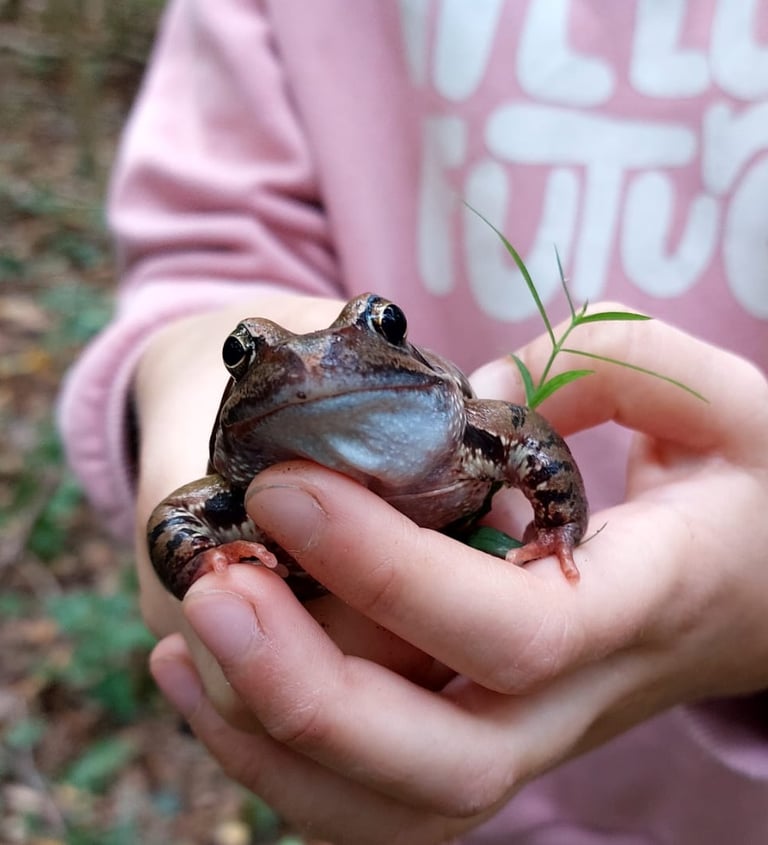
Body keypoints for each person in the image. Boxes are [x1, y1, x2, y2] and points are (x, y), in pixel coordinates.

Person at [59, 2, 768, 842]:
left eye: (379, 330)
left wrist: (560, 527)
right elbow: (177, 516)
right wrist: (199, 519)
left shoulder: (471, 427)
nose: (318, 366)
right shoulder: (231, 496)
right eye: (250, 355)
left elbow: (528, 436)